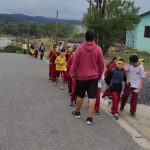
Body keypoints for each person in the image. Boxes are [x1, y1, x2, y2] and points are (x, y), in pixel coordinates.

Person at [72, 30, 104, 125]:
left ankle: (77, 113)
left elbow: (75, 63)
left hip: (81, 77)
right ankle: (89, 118)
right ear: (93, 38)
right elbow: (101, 64)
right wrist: (99, 74)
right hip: (93, 77)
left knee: (80, 95)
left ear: (85, 37)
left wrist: (73, 74)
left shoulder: (80, 48)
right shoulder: (98, 49)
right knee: (92, 97)